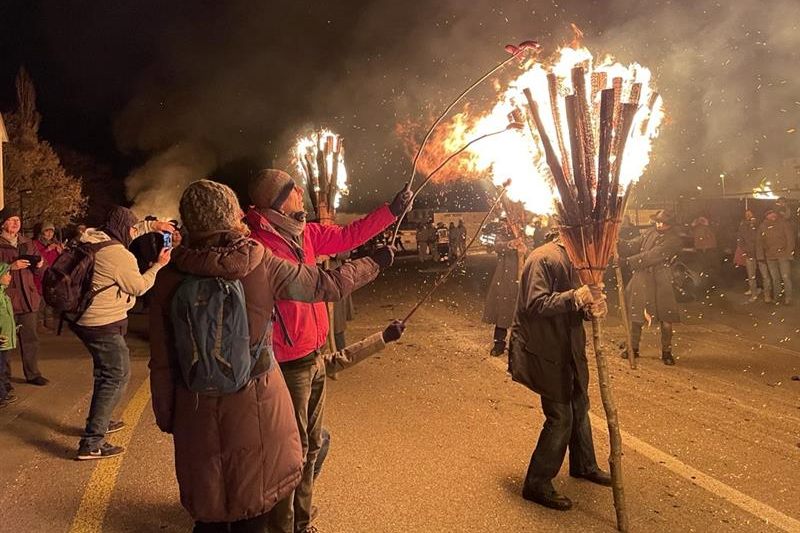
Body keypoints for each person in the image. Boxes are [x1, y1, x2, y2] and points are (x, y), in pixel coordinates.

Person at [149, 179, 394, 533]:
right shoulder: (259, 262)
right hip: (258, 404)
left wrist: (169, 416)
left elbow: (163, 361)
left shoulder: (168, 279)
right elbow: (327, 285)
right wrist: (374, 263)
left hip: (196, 407)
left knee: (210, 511)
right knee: (256, 507)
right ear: (231, 215)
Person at [244, 168, 411, 533]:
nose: (300, 191)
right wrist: (374, 264)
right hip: (286, 363)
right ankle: (283, 527)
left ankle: (301, 522)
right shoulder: (262, 247)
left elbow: (349, 235)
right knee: (294, 453)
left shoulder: (303, 234)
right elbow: (322, 285)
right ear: (276, 201)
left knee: (313, 445)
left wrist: (391, 212)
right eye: (292, 189)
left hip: (314, 355)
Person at [508, 235, 611, 511]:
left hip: (569, 349)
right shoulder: (544, 258)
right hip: (545, 348)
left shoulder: (579, 263)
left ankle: (584, 464)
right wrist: (576, 297)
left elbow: (577, 308)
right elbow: (536, 303)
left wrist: (592, 307)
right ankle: (537, 482)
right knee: (561, 416)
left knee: (579, 404)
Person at [71, 206, 175, 459]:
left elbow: (130, 231)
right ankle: (92, 442)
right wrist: (158, 266)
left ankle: (101, 421)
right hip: (102, 323)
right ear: (122, 229)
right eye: (132, 228)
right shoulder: (118, 255)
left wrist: (154, 226)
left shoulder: (95, 238)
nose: (133, 232)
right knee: (116, 376)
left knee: (105, 374)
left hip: (85, 319)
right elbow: (138, 287)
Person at [619, 209, 683, 365]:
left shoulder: (674, 240)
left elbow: (654, 255)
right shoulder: (649, 233)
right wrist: (617, 241)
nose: (660, 225)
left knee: (666, 317)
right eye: (658, 222)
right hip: (642, 277)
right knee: (636, 313)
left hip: (662, 279)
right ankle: (633, 347)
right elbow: (632, 245)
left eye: (664, 223)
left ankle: (666, 351)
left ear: (670, 224)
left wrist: (627, 262)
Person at [0, 208, 48, 386]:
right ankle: (4, 380)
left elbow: (42, 268)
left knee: (31, 339)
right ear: (3, 223)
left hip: (28, 298)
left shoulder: (27, 242)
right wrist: (11, 266)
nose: (15, 223)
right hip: (6, 301)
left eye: (18, 220)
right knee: (4, 343)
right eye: (11, 220)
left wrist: (40, 264)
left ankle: (33, 373)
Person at [483, 225, 523, 357]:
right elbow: (497, 246)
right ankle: (499, 344)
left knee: (522, 314)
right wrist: (511, 244)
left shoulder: (526, 232)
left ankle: (520, 346)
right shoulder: (502, 232)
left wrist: (524, 247)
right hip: (506, 280)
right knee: (503, 312)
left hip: (523, 278)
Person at [756, 208, 795, 305]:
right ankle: (777, 297)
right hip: (770, 256)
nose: (772, 215)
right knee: (775, 278)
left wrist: (789, 253)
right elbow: (759, 242)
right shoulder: (763, 226)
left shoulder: (783, 223)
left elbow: (790, 239)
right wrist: (760, 256)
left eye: (773, 213)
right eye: (769, 214)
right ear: (766, 216)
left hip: (783, 255)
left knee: (785, 277)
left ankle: (788, 298)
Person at [33, 221, 64, 329]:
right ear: (41, 232)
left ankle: (49, 323)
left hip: (52, 278)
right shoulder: (35, 244)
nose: (50, 233)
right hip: (39, 278)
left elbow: (61, 261)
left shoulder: (56, 244)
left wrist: (61, 252)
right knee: (40, 302)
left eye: (51, 231)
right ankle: (39, 324)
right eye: (47, 231)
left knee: (50, 302)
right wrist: (47, 250)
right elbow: (35, 258)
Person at [0, 263, 18, 408]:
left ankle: (3, 392)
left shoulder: (3, 294)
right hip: (1, 340)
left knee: (3, 366)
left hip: (5, 339)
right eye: (6, 274)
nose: (9, 277)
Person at [736, 210, 759, 300]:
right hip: (749, 253)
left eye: (750, 214)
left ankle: (760, 290)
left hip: (760, 253)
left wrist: (753, 225)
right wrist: (744, 249)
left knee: (762, 274)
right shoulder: (743, 226)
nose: (748, 216)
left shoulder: (757, 225)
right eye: (746, 214)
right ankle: (753, 292)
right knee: (751, 274)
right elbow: (740, 239)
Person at [691, 215, 718, 283]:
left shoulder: (703, 228)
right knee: (706, 266)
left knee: (705, 266)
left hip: (705, 249)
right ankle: (708, 281)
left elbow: (703, 239)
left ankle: (708, 281)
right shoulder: (701, 228)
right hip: (704, 249)